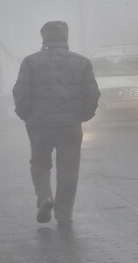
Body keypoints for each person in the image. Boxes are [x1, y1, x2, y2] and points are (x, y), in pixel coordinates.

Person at [12, 21, 100, 226]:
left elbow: (21, 92)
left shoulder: (30, 62)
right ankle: (64, 213)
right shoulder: (82, 62)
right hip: (70, 124)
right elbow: (92, 93)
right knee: (69, 168)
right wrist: (82, 115)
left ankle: (45, 196)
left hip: (39, 123)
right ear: (66, 36)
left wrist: (26, 115)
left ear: (43, 37)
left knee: (40, 163)